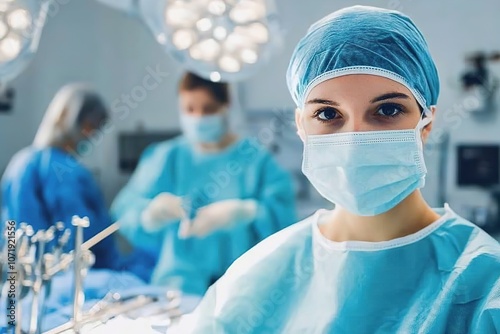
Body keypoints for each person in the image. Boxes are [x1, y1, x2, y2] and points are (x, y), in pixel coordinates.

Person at [170, 6, 500, 333]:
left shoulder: (483, 283)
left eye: (387, 109)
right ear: (301, 126)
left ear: (426, 124)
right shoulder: (260, 274)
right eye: (328, 115)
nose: (356, 137)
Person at [110, 72, 297, 296]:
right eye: (190, 109)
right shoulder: (167, 157)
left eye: (208, 109)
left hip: (242, 288)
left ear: (225, 106)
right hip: (178, 289)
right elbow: (124, 209)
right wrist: (149, 214)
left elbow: (286, 223)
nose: (198, 117)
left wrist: (247, 212)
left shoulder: (256, 160)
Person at [2, 84, 121, 269]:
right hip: (71, 284)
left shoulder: (19, 163)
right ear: (68, 119)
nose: (91, 136)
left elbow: (9, 237)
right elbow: (83, 241)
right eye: (90, 127)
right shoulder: (69, 172)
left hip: (17, 283)